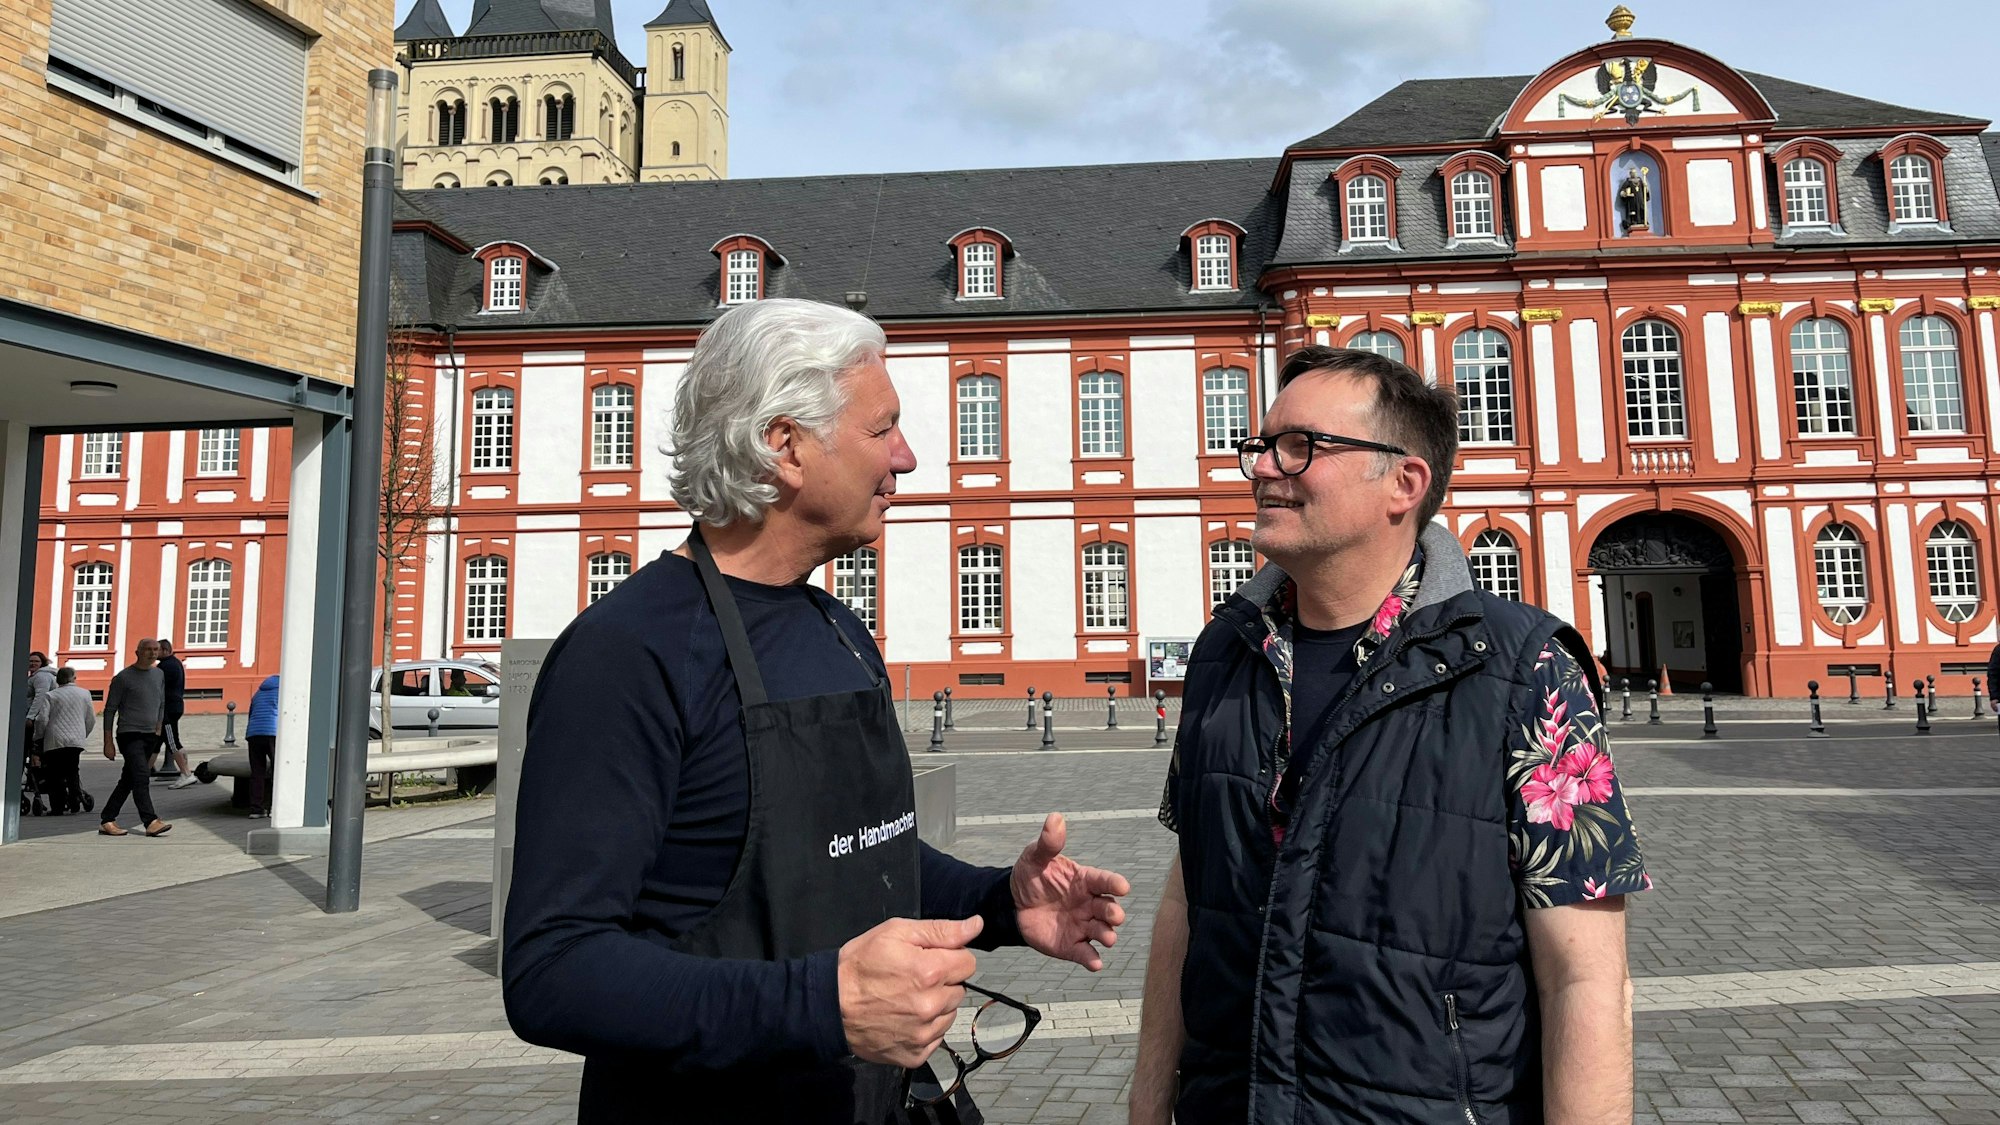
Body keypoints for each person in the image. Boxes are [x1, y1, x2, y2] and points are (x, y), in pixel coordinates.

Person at [504, 299, 1132, 1124]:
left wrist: (1003, 902)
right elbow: (553, 969)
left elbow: (857, 857)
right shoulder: (627, 654)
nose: (906, 457)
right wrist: (820, 1001)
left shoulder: (837, 629)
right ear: (785, 445)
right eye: (883, 430)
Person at [1131, 347, 1650, 1125]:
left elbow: (1585, 978)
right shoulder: (1226, 652)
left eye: (1300, 445)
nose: (1264, 467)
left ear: (1403, 484)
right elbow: (1186, 900)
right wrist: (1145, 1105)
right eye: (1262, 445)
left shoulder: (1527, 671)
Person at [99, 638, 172, 838]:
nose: (152, 653)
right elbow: (109, 710)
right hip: (129, 734)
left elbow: (161, 702)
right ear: (137, 652)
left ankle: (107, 819)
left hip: (150, 735)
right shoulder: (123, 678)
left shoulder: (159, 674)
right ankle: (150, 821)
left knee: (128, 780)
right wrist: (108, 742)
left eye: (155, 649)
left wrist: (158, 728)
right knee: (141, 776)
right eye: (148, 649)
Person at [29, 666, 94, 815]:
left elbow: (42, 719)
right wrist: (84, 734)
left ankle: (57, 807)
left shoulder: (51, 696)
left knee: (55, 774)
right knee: (72, 771)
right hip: (76, 740)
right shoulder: (84, 694)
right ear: (73, 678)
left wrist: (38, 736)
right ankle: (75, 802)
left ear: (58, 679)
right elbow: (90, 718)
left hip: (55, 740)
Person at [156, 638, 197, 789]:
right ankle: (141, 774)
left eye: (157, 650)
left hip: (168, 709)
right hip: (174, 706)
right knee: (156, 743)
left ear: (165, 650)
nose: (154, 653)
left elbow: (157, 687)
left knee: (172, 741)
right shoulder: (175, 663)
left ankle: (186, 773)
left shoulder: (166, 667)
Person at [245, 673, 279, 818]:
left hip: (253, 733)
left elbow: (251, 713)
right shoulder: (283, 691)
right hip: (273, 732)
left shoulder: (258, 694)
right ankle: (274, 807)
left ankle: (256, 809)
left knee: (257, 772)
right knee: (278, 770)